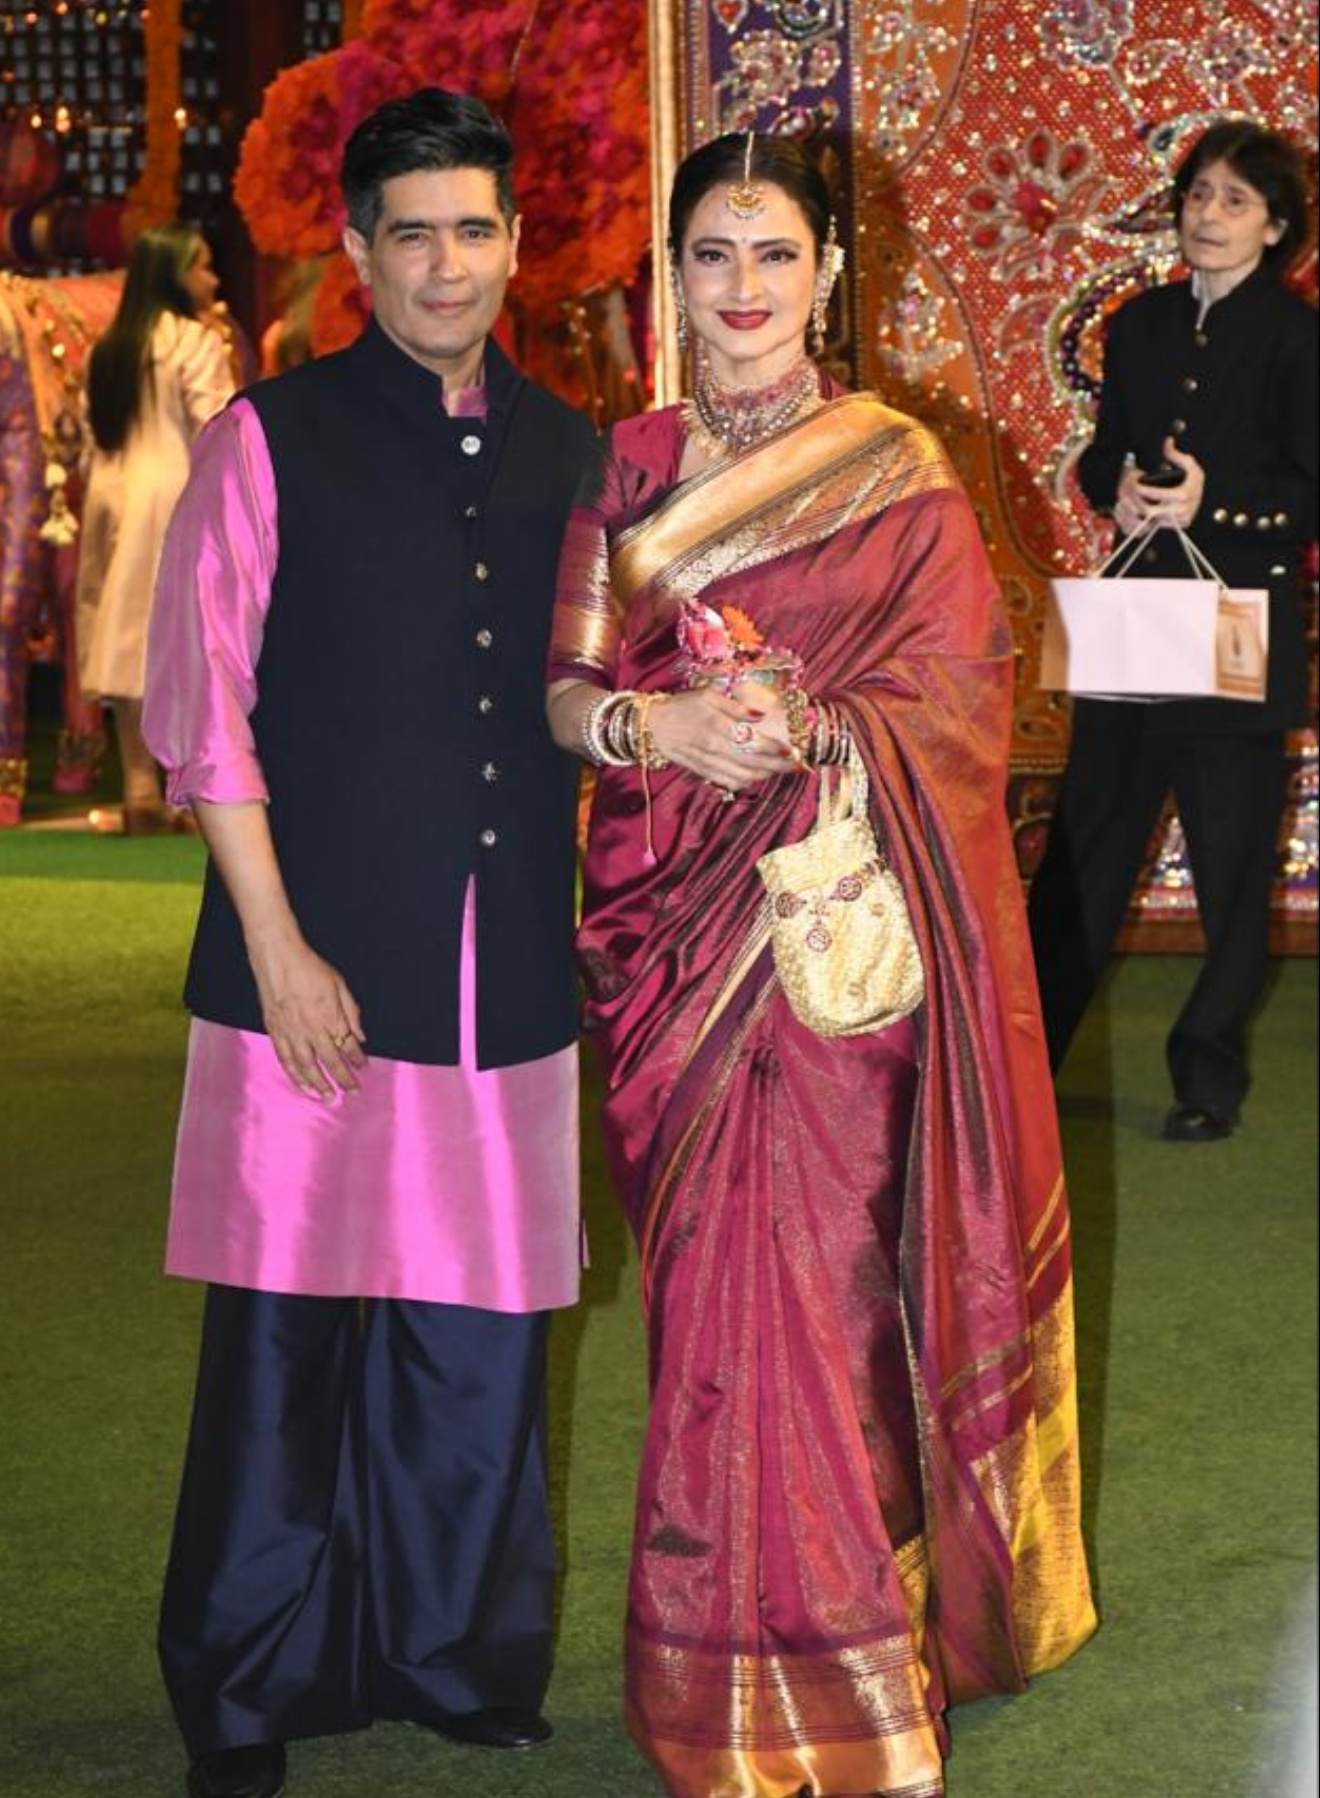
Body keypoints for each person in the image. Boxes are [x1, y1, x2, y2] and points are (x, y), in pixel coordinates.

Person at [546, 131, 1096, 1798]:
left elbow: (965, 697)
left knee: (832, 1304)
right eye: (711, 254)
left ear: (830, 277)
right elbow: (565, 692)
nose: (743, 290)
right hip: (672, 941)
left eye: (774, 254)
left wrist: (812, 729)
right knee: (713, 1309)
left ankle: (856, 1677)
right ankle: (717, 1678)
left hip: (836, 935)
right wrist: (662, 720)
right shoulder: (624, 467)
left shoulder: (901, 468)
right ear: (671, 275)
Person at [142, 89, 594, 1798]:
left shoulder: (573, 450)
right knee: (284, 1348)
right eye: (412, 231)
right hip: (306, 975)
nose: (446, 264)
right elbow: (205, 713)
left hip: (502, 981)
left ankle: (456, 1654)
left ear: (513, 245)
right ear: (356, 248)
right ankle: (245, 1690)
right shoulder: (271, 435)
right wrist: (277, 944)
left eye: (474, 228)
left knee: (479, 1341)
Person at [1027, 120, 1318, 1142]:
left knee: (1232, 861)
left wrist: (1213, 503)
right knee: (1085, 845)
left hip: (1239, 622)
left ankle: (1208, 1078)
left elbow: (1307, 494)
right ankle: (1025, 1069)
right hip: (1134, 611)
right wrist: (1127, 494)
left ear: (1276, 227)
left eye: (1235, 201)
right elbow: (1098, 458)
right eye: (1199, 194)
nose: (1208, 215)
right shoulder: (1140, 323)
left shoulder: (1298, 338)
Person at [76, 223, 234, 831]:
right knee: (185, 642)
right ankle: (184, 791)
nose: (212, 280)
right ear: (174, 274)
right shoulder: (194, 341)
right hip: (176, 495)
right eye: (202, 267)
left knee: (124, 637)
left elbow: (94, 435)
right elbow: (217, 427)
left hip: (112, 496)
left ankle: (139, 787)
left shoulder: (108, 347)